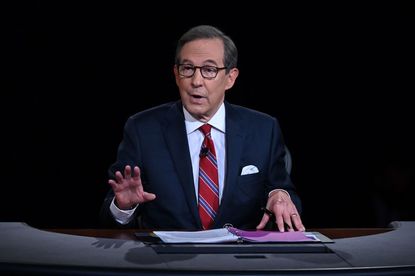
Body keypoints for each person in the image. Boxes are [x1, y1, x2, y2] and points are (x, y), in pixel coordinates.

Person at [99, 25, 305, 232]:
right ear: (176, 74)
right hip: (167, 259)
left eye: (209, 70)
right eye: (187, 69)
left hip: (239, 257)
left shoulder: (263, 129)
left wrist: (280, 195)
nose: (196, 81)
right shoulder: (143, 130)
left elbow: (283, 190)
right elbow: (108, 217)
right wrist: (124, 206)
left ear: (230, 78)